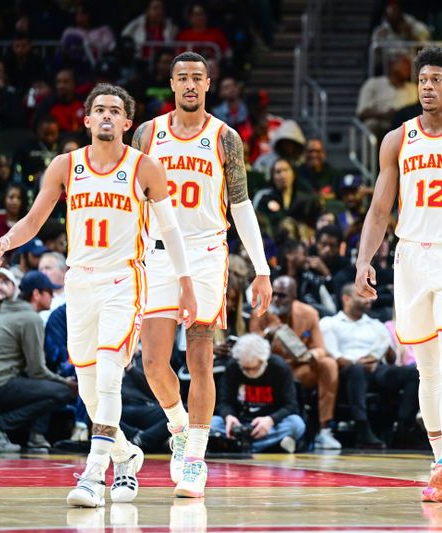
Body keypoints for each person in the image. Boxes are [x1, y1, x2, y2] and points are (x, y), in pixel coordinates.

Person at [0, 83, 198, 507]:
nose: (106, 116)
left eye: (114, 110)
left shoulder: (145, 168)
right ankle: (126, 455)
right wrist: (5, 242)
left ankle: (93, 473)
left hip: (124, 279)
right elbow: (33, 219)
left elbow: (170, 231)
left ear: (126, 122)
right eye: (99, 109)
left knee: (108, 372)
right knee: (87, 388)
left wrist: (185, 282)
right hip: (78, 283)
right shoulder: (66, 166)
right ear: (86, 120)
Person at [130, 51, 271, 499]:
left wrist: (262, 269)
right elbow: (130, 200)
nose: (190, 85)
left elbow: (242, 205)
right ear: (171, 84)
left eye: (197, 78)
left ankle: (195, 457)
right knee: (152, 362)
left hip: (208, 251)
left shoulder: (224, 137)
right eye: (182, 78)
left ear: (209, 84)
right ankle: (178, 428)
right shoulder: (148, 133)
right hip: (156, 254)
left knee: (201, 360)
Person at [355, 46, 442, 504]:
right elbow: (379, 209)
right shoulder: (397, 139)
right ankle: (439, 459)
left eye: (436, 80)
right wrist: (363, 260)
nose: (427, 86)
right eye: (422, 79)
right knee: (426, 368)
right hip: (410, 257)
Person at [0, 271, 74, 452]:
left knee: (42, 388)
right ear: (36, 294)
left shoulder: (10, 312)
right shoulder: (30, 318)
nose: (53, 296)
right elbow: (36, 371)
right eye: (49, 292)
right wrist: (67, 384)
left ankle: (26, 434)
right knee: (60, 392)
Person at [321, 283, 421, 447]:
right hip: (346, 371)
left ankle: (404, 426)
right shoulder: (330, 323)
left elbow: (390, 360)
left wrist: (387, 350)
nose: (368, 300)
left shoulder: (376, 325)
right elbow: (332, 355)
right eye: (362, 296)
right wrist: (356, 362)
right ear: (346, 299)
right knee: (357, 370)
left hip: (375, 369)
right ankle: (362, 428)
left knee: (413, 372)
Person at [250, 276, 341, 450]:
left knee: (329, 364)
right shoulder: (261, 311)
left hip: (297, 369)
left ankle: (325, 430)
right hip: (269, 371)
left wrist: (311, 355)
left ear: (293, 296)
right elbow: (250, 347)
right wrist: (268, 333)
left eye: (282, 295)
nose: (276, 298)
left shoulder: (309, 313)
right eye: (274, 294)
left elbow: (321, 348)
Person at [212, 334, 306, 453]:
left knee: (296, 424)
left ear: (264, 360)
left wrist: (271, 420)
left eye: (254, 368)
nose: (249, 372)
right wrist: (228, 416)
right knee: (212, 423)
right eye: (245, 368)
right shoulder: (233, 366)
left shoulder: (280, 368)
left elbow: (291, 405)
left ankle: (238, 446)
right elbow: (224, 401)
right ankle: (268, 446)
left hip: (269, 425)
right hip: (239, 423)